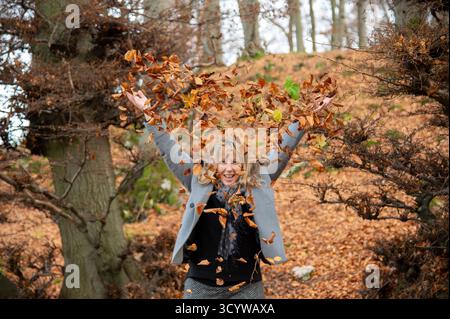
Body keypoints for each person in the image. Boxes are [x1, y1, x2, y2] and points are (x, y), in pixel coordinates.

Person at [126, 90, 305, 299]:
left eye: (235, 162)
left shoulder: (256, 183)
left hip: (247, 285)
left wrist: (305, 118)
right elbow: (169, 147)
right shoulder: (199, 181)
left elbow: (283, 149)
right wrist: (149, 112)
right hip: (201, 284)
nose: (229, 168)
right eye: (223, 162)